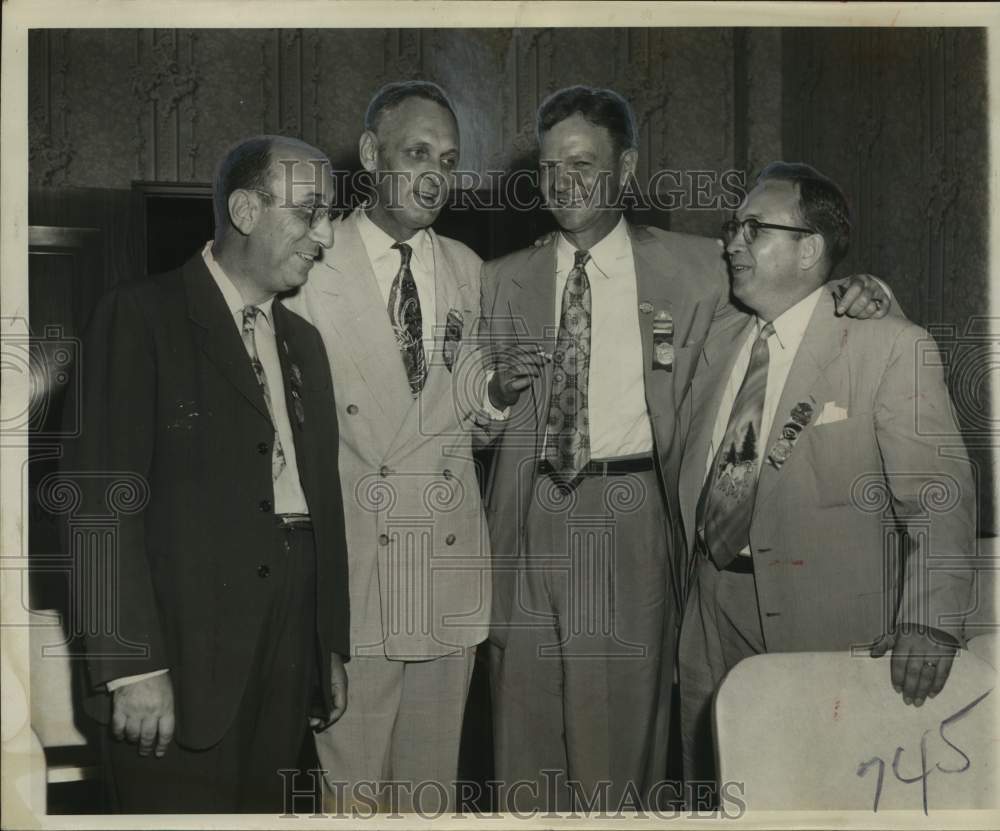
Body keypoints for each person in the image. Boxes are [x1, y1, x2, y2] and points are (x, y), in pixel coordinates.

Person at [476, 87, 891, 812]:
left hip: (630, 511)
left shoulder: (701, 267)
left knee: (615, 755)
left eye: (583, 163)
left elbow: (794, 300)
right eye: (548, 167)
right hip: (523, 516)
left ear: (628, 167)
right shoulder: (499, 279)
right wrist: (493, 396)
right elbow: (468, 425)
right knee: (522, 742)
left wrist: (862, 291)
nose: (562, 182)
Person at [63, 135, 350, 813]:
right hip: (177, 661)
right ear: (246, 210)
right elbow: (98, 506)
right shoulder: (140, 316)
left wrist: (326, 644)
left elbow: (321, 503)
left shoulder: (304, 344)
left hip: (287, 656)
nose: (327, 236)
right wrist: (130, 664)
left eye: (330, 215)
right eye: (311, 213)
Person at [675, 161, 975, 794]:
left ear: (808, 248)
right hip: (710, 606)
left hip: (825, 626)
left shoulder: (888, 346)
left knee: (813, 790)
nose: (731, 242)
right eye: (734, 226)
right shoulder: (723, 335)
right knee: (721, 787)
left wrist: (931, 620)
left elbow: (938, 496)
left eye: (753, 229)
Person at [285, 81, 490, 812]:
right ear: (372, 155)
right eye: (416, 152)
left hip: (446, 569)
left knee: (430, 796)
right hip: (357, 575)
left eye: (448, 157)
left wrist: (497, 398)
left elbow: (469, 419)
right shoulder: (308, 261)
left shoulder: (469, 268)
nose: (435, 173)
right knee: (353, 797)